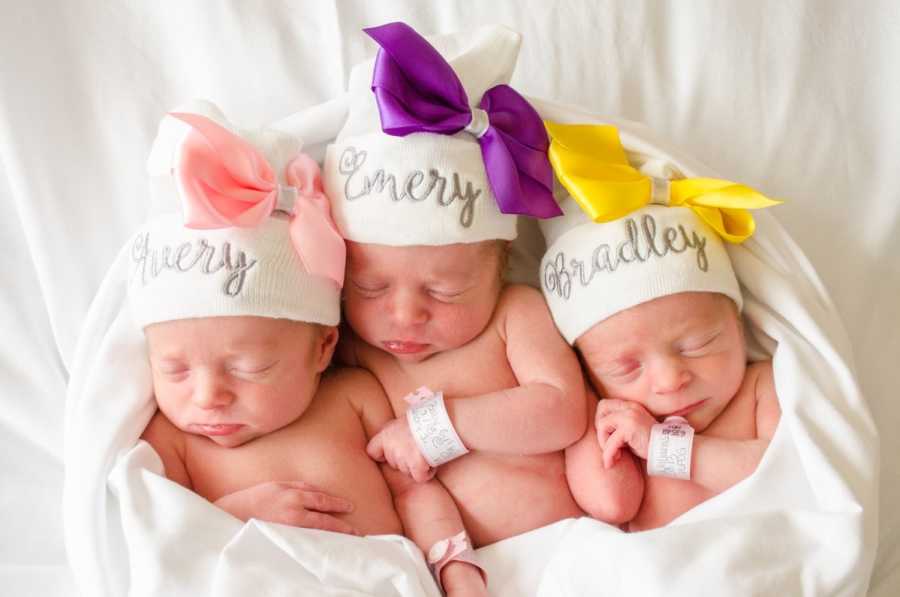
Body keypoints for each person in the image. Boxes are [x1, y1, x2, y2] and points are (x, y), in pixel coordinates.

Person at [322, 22, 637, 593]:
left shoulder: (514, 314)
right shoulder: (353, 351)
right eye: (369, 289)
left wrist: (439, 426)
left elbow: (562, 411)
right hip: (455, 567)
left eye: (443, 291)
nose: (405, 315)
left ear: (500, 263)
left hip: (571, 544)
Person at [134, 103, 404, 538]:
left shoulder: (355, 397)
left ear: (322, 348)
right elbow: (158, 538)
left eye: (248, 368)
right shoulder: (172, 440)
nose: (208, 397)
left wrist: (451, 558)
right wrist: (230, 514)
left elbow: (415, 489)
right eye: (175, 370)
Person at [539, 122, 782, 530]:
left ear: (738, 326)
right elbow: (611, 505)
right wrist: (585, 407)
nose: (670, 381)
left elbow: (786, 475)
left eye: (698, 344)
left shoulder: (761, 388)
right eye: (626, 369)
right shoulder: (618, 420)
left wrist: (662, 447)